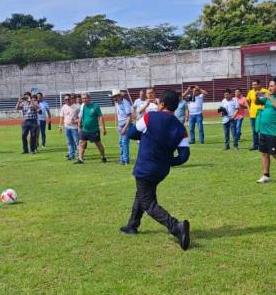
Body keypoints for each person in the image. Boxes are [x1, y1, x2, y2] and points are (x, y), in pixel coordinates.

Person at [119, 90, 192, 251]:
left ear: (162, 104)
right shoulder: (180, 127)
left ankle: (176, 226)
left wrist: (145, 135)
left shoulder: (149, 116)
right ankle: (132, 225)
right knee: (142, 194)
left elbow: (131, 133)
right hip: (161, 170)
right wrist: (169, 161)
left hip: (145, 167)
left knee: (148, 203)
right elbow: (184, 155)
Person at [77, 92, 108, 163]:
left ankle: (103, 156)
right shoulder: (82, 106)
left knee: (98, 144)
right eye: (82, 98)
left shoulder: (95, 106)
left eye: (85, 98)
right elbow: (80, 117)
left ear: (89, 98)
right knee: (81, 143)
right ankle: (80, 159)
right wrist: (79, 127)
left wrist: (103, 128)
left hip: (94, 130)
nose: (84, 100)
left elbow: (100, 117)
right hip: (85, 129)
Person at [246, 79, 270, 150]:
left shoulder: (265, 91)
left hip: (262, 113)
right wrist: (248, 108)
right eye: (252, 85)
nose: (253, 86)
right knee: (254, 131)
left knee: (263, 130)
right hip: (253, 114)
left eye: (255, 85)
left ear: (259, 84)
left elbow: (269, 98)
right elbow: (247, 100)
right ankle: (255, 145)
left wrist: (259, 94)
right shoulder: (250, 92)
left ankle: (264, 145)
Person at [112, 89, 133, 165]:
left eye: (114, 97)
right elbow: (119, 115)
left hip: (125, 125)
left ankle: (125, 160)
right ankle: (122, 159)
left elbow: (129, 116)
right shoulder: (117, 103)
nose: (113, 99)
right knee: (120, 143)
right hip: (121, 125)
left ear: (118, 96)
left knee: (124, 142)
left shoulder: (125, 103)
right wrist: (118, 125)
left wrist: (125, 128)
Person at [60, 94, 80, 161]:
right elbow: (62, 117)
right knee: (69, 142)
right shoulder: (63, 107)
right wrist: (60, 126)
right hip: (67, 127)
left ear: (71, 99)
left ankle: (79, 155)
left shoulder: (76, 107)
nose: (67, 100)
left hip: (74, 128)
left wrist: (76, 120)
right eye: (66, 99)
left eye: (68, 99)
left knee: (77, 142)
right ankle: (71, 156)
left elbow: (80, 117)